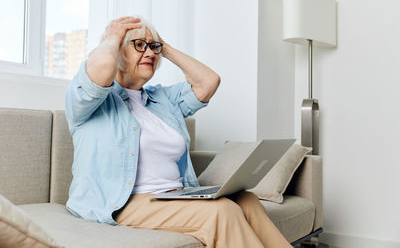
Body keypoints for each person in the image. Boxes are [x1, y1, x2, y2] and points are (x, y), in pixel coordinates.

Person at [65, 16, 292, 248]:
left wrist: (164, 46)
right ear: (117, 51)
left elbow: (209, 81)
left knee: (247, 200)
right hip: (122, 203)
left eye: (153, 47)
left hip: (174, 195)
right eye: (139, 45)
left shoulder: (161, 99)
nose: (151, 53)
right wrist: (112, 35)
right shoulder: (90, 100)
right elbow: (102, 68)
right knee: (222, 211)